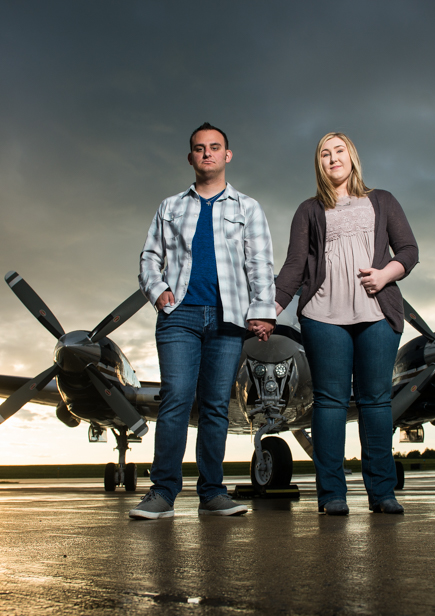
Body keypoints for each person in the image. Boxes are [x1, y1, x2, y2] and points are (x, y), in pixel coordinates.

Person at [133, 122, 276, 520]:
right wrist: (157, 289)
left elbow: (260, 263)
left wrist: (263, 311)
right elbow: (149, 257)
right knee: (177, 398)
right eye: (199, 148)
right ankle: (162, 493)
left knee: (215, 406)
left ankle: (213, 493)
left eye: (215, 147)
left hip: (229, 320)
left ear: (227, 155)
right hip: (180, 316)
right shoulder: (170, 206)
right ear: (191, 157)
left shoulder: (248, 207)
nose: (207, 153)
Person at [274, 132, 418, 516]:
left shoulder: (382, 201)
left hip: (376, 315)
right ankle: (332, 495)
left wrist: (386, 275)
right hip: (323, 316)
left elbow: (409, 250)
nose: (333, 158)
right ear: (319, 163)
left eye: (339, 151)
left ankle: (382, 493)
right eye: (325, 153)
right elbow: (294, 266)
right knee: (331, 403)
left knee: (375, 402)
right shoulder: (308, 210)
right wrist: (268, 307)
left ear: (352, 157)